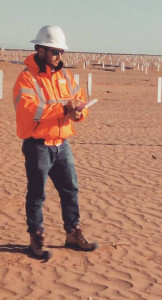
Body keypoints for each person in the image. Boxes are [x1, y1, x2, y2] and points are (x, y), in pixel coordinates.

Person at [13, 25, 98, 259]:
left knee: (70, 190)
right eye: (53, 51)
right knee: (37, 194)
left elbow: (78, 101)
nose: (58, 55)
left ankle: (72, 233)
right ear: (39, 49)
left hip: (62, 144)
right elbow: (29, 110)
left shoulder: (65, 77)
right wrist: (63, 108)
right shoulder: (26, 78)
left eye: (61, 51)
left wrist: (79, 113)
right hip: (38, 145)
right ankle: (36, 237)